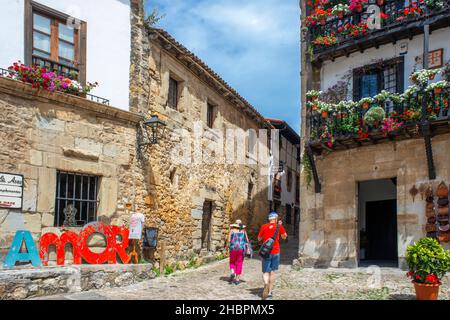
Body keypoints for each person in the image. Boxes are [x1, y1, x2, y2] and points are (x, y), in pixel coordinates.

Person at [258, 212, 287, 300]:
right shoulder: (279, 226)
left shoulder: (264, 226)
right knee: (273, 272)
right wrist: (281, 231)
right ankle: (269, 293)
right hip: (275, 251)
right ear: (276, 219)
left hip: (266, 252)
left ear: (269, 219)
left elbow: (259, 238)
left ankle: (266, 283)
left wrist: (264, 238)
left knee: (266, 272)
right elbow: (284, 237)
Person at [226, 219, 250, 285]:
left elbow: (228, 241)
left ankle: (232, 272)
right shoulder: (243, 231)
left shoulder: (232, 230)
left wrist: (227, 247)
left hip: (233, 249)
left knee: (232, 261)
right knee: (239, 263)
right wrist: (247, 248)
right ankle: (237, 279)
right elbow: (247, 240)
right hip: (241, 249)